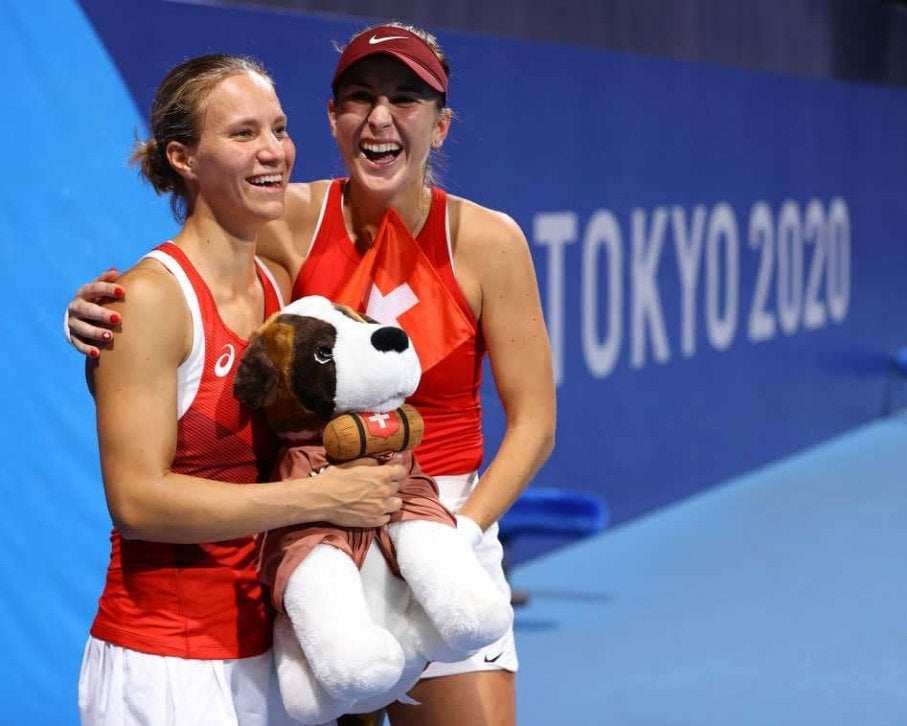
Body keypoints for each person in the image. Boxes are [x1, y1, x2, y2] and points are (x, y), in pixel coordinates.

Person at [66, 22, 556, 726]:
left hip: (441, 530)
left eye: (405, 99)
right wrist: (95, 315)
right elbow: (185, 288)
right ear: (333, 118)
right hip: (320, 537)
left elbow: (535, 421)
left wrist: (458, 530)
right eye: (360, 98)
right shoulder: (279, 220)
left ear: (440, 125)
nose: (380, 118)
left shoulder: (486, 240)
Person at [75, 53, 408, 726]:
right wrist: (319, 498)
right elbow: (137, 502)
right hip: (167, 665)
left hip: (268, 655)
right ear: (183, 158)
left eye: (278, 129)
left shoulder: (278, 289)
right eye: (243, 133)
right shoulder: (150, 300)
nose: (273, 151)